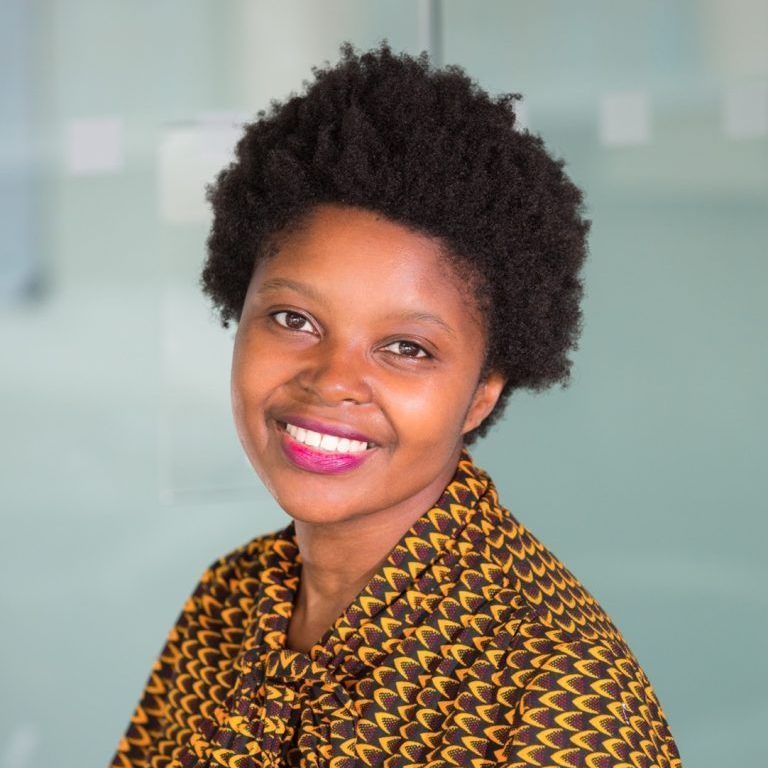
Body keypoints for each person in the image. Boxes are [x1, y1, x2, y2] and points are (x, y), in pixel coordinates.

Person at [110, 40, 682, 768]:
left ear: (483, 391)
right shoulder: (228, 605)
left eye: (407, 348)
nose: (331, 380)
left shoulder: (556, 693)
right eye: (294, 320)